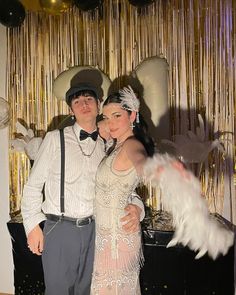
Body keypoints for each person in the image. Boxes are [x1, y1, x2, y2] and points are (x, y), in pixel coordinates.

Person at [90, 86, 234, 294]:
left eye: (117, 116)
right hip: (109, 237)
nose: (111, 123)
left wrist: (165, 171)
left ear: (132, 115)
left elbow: (143, 164)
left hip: (117, 240)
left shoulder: (131, 145)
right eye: (107, 117)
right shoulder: (118, 143)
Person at [21, 82, 144, 295]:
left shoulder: (107, 144)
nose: (83, 104)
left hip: (95, 232)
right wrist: (32, 225)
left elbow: (122, 187)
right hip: (59, 229)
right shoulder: (54, 139)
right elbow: (33, 185)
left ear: (98, 105)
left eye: (89, 99)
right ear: (71, 110)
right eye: (77, 101)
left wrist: (137, 206)